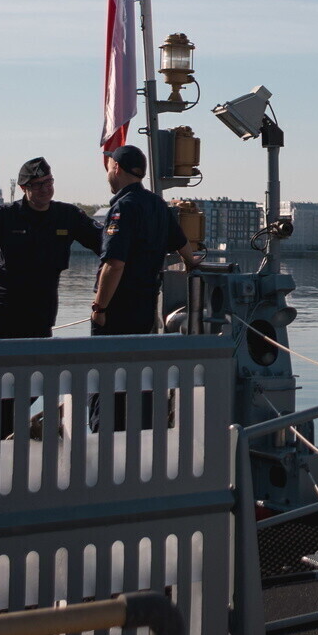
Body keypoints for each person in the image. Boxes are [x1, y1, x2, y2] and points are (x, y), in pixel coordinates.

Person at [0, 157, 100, 439]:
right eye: (38, 185)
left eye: (49, 182)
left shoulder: (67, 216)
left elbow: (105, 244)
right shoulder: (5, 216)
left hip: (40, 311)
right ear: (24, 188)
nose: (45, 189)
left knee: (33, 384)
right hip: (4, 311)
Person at [90, 144, 198, 432]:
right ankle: (131, 441)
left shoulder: (123, 207)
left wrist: (99, 308)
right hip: (144, 309)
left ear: (116, 168)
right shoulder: (157, 204)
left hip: (117, 312)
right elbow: (181, 243)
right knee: (133, 378)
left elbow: (114, 264)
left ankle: (103, 442)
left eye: (109, 166)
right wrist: (191, 263)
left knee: (105, 380)